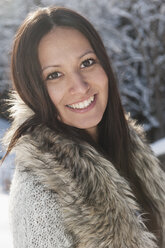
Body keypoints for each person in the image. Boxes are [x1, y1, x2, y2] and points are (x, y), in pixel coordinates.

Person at [2, 6, 165, 248]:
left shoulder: (131, 149)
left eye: (87, 62)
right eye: (54, 75)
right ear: (32, 91)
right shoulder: (39, 195)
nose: (79, 86)